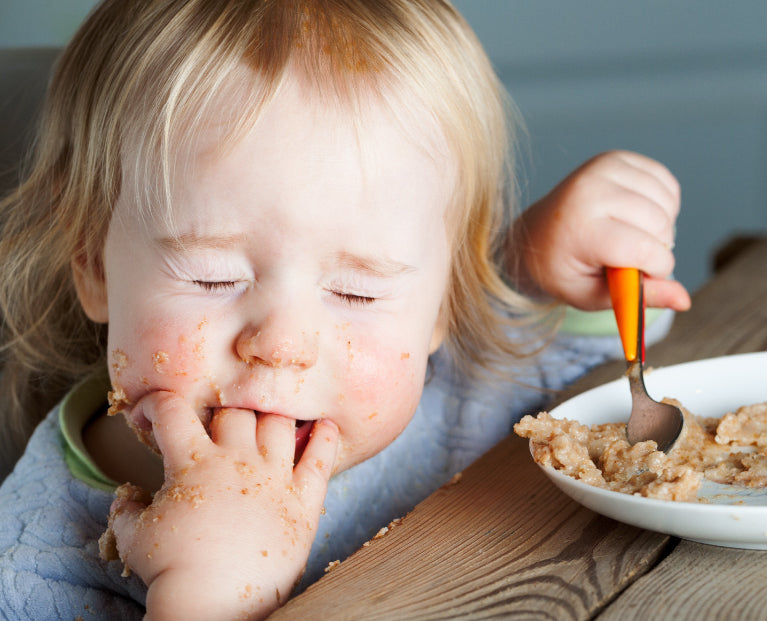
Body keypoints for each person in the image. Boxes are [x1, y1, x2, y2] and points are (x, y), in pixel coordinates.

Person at [0, 0, 690, 618]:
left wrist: (543, 271)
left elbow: (587, 374)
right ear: (91, 259)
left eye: (358, 291)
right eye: (213, 277)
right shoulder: (35, 559)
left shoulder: (449, 394)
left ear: (444, 298)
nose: (282, 343)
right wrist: (205, 594)